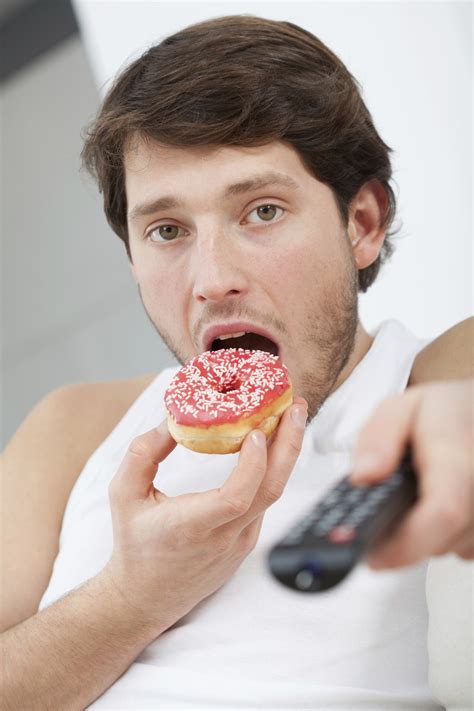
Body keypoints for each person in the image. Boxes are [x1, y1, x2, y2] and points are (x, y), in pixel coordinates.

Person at [1, 15, 472, 711]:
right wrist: (132, 596)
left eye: (262, 210)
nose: (212, 278)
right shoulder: (74, 427)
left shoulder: (436, 372)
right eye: (167, 230)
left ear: (362, 223)